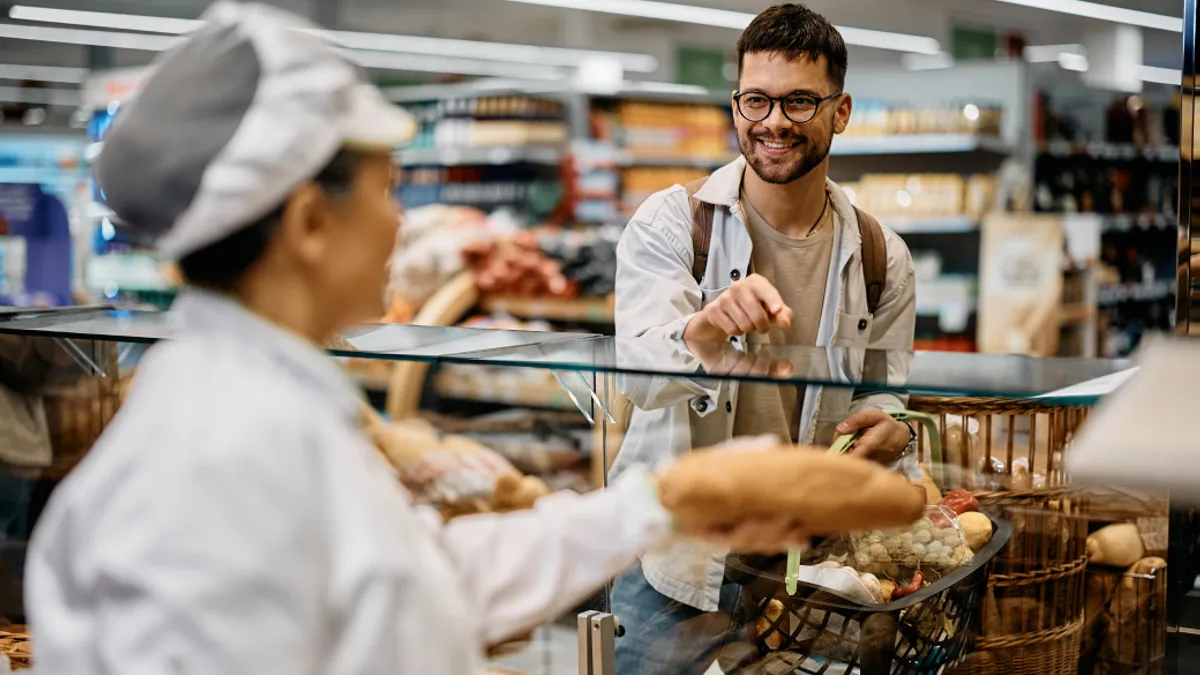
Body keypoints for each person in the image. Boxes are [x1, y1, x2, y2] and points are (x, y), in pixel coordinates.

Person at [22, 5, 827, 674]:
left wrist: (659, 505)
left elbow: (418, 583)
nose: (399, 220)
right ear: (309, 221)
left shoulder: (251, 401)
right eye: (386, 188)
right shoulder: (231, 446)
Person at [610, 4, 918, 673]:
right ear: (735, 105)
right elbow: (637, 374)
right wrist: (707, 328)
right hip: (675, 562)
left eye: (799, 101)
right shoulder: (673, 223)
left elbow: (885, 392)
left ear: (841, 111)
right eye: (756, 100)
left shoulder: (880, 254)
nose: (773, 121)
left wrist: (894, 425)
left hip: (813, 572)